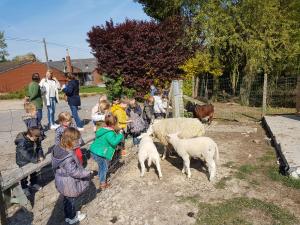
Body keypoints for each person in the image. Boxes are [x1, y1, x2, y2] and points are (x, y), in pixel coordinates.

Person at [52, 127, 91, 224]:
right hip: (68, 182)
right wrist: (87, 172)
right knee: (71, 201)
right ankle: (72, 218)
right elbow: (74, 172)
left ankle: (68, 216)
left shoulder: (59, 147)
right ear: (70, 141)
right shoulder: (68, 157)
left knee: (67, 199)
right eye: (76, 140)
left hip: (62, 180)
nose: (78, 141)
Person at [90, 114, 124, 190]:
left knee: (102, 166)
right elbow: (114, 142)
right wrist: (120, 134)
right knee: (104, 167)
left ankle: (101, 178)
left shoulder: (103, 129)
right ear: (113, 124)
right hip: (100, 153)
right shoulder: (110, 133)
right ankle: (103, 184)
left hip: (94, 151)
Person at [15, 127, 44, 196]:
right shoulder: (21, 142)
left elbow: (39, 147)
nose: (36, 140)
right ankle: (24, 187)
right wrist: (35, 159)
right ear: (30, 136)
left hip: (32, 159)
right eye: (35, 138)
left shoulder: (35, 138)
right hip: (23, 161)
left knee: (34, 172)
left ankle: (33, 183)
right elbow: (25, 154)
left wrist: (40, 155)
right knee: (24, 176)